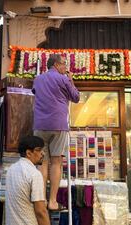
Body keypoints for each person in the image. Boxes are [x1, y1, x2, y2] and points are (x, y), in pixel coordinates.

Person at [32, 54, 80, 211]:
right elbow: (76, 97)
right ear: (57, 64)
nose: (66, 67)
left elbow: (36, 93)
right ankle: (52, 201)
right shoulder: (63, 78)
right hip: (58, 124)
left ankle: (41, 199)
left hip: (40, 124)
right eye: (64, 64)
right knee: (56, 162)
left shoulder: (38, 79)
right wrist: (71, 79)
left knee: (42, 162)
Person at [5, 136, 50, 225]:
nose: (43, 154)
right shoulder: (34, 174)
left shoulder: (11, 169)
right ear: (29, 153)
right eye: (39, 150)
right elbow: (41, 212)